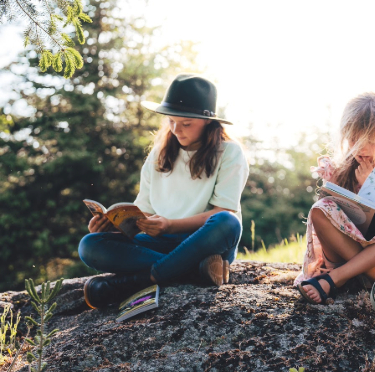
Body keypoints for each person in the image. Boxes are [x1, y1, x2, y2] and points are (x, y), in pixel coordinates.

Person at [78, 74, 249, 308]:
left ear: (208, 121)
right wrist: (115, 227)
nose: (177, 130)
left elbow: (223, 211)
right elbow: (144, 212)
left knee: (228, 222)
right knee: (90, 244)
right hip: (160, 243)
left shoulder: (230, 152)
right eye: (171, 121)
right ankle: (194, 273)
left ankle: (140, 280)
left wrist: (170, 225)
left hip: (205, 244)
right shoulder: (159, 153)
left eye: (186, 124)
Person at [295, 92, 375, 304]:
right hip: (346, 253)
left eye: (371, 141)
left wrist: (373, 187)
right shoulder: (338, 167)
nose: (362, 149)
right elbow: (334, 212)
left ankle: (336, 279)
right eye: (355, 139)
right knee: (319, 209)